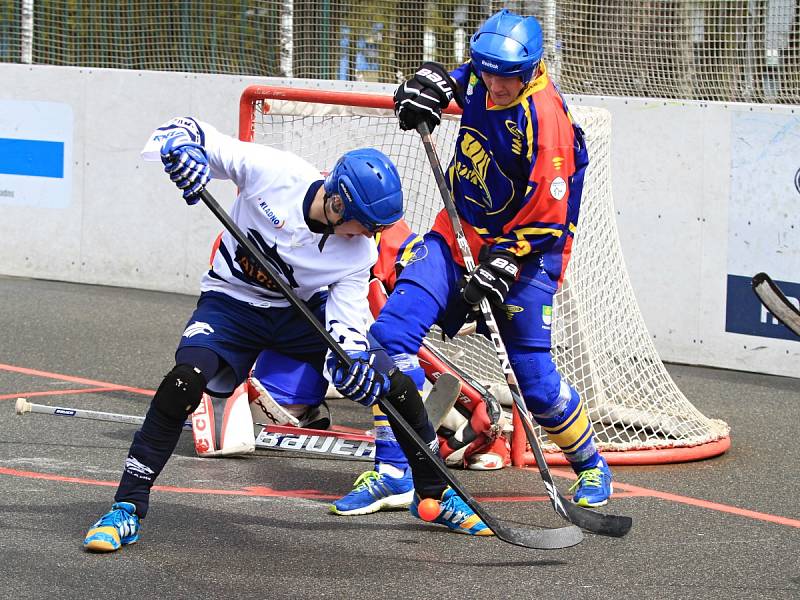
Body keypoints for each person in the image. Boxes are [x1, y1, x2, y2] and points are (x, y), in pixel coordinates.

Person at [82, 115, 415, 551]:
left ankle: (433, 492)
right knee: (182, 381)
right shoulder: (276, 172)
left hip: (299, 316)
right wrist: (181, 152)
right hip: (231, 303)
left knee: (384, 375)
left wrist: (349, 362)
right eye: (367, 224)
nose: (371, 236)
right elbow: (186, 130)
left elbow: (347, 321)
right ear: (338, 205)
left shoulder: (359, 251)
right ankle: (125, 508)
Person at [344, 8, 612, 528]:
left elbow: (551, 219)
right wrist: (424, 84)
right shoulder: (484, 76)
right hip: (458, 232)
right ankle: (396, 468)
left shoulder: (547, 122)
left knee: (534, 382)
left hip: (530, 251)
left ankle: (590, 464)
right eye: (485, 70)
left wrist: (504, 264)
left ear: (532, 69)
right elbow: (449, 82)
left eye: (504, 74)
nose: (493, 83)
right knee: (388, 337)